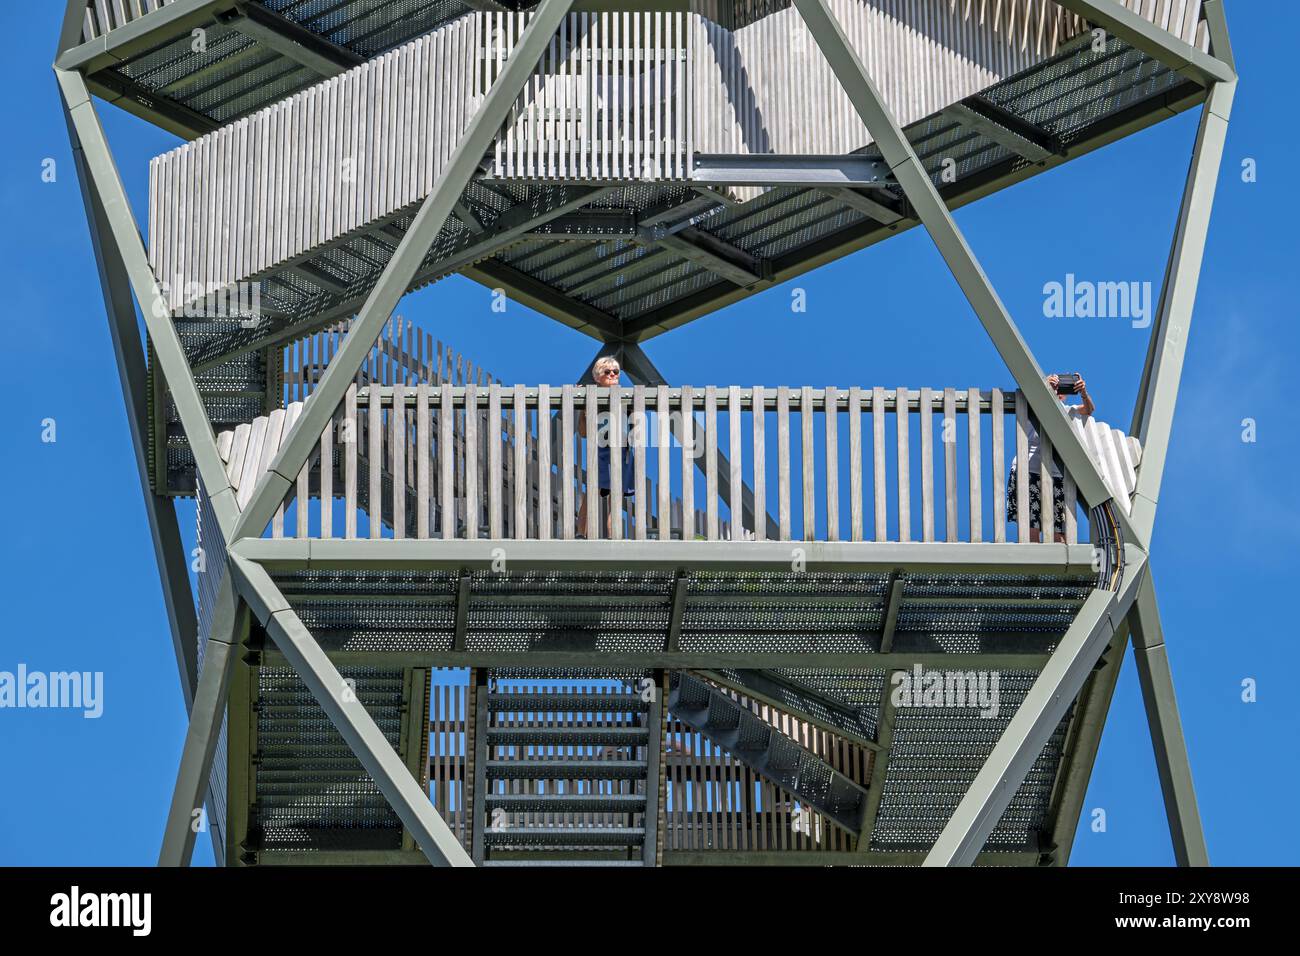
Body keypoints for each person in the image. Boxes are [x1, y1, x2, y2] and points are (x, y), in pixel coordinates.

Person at [1006, 372, 1094, 543]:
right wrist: (1044, 386)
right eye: (1055, 385)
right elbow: (1024, 393)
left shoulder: (1069, 411)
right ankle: (1032, 568)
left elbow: (1089, 409)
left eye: (1062, 387)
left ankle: (1055, 567)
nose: (1058, 389)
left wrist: (1083, 392)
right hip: (1028, 469)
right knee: (1031, 529)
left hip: (1056, 473)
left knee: (1059, 532)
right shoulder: (1032, 404)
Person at [576, 356, 635, 538]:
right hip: (601, 449)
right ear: (597, 377)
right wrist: (582, 405)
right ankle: (580, 534)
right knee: (593, 489)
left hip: (621, 449)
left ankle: (613, 536)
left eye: (615, 372)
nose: (612, 374)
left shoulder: (627, 397)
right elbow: (583, 432)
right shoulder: (591, 397)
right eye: (607, 371)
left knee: (615, 494)